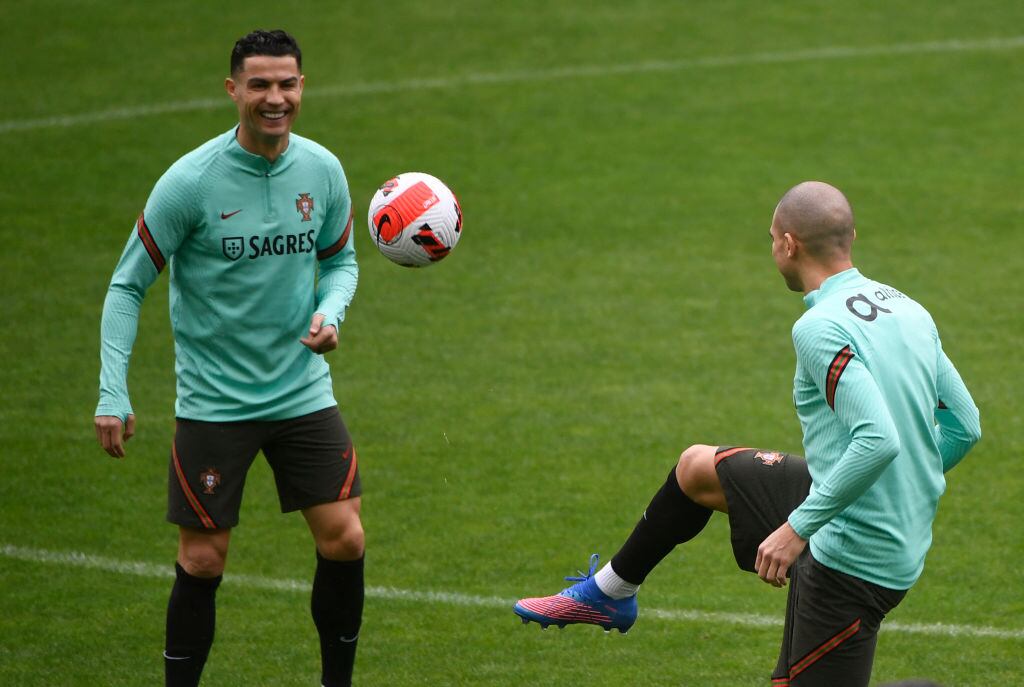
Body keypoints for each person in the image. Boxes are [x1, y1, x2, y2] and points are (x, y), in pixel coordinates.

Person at [515, 181, 981, 686]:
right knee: (696, 469)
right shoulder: (909, 309)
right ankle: (612, 593)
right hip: (849, 502)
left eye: (770, 239)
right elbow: (964, 425)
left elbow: (878, 440)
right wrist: (899, 489)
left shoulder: (820, 327)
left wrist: (797, 527)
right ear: (850, 237)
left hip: (856, 558)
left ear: (788, 244)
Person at [94, 30, 363, 687]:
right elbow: (128, 284)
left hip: (302, 391)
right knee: (204, 557)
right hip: (217, 404)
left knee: (346, 538)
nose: (276, 98)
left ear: (303, 87)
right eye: (261, 85)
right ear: (233, 90)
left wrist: (331, 313)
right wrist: (112, 390)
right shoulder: (191, 182)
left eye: (288, 84)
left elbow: (340, 262)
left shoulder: (322, 170)